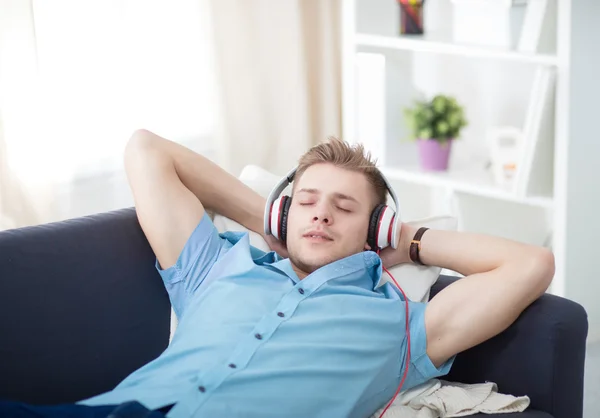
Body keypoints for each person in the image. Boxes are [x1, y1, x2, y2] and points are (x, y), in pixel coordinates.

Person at [0, 131, 554, 418]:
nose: (320, 213)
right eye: (306, 201)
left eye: (343, 206)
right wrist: (269, 219)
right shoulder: (216, 265)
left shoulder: (402, 328)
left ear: (374, 226)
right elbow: (146, 149)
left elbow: (531, 264)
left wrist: (407, 240)